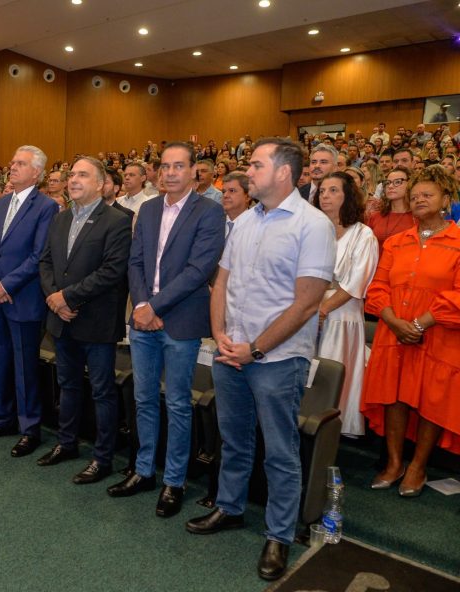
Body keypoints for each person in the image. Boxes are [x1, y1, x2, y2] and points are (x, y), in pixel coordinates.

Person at [186, 138, 336, 582]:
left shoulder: (312, 225)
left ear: (283, 173)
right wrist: (218, 336)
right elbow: (222, 283)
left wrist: (255, 348)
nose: (246, 172)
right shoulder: (247, 220)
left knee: (280, 452)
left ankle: (279, 535)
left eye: (255, 164)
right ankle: (230, 508)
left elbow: (307, 303)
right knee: (233, 439)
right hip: (230, 352)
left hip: (277, 359)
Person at [108, 143, 225, 516]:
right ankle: (143, 470)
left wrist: (154, 307)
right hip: (144, 316)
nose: (170, 172)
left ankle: (174, 481)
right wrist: (142, 306)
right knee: (143, 399)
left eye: (179, 166)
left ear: (194, 171)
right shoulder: (148, 208)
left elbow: (198, 270)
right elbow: (135, 260)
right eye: (165, 166)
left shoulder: (209, 212)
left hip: (181, 320)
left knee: (176, 403)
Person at [361, 165, 460, 497]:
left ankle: (418, 466)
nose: (419, 200)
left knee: (430, 400)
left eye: (427, 195)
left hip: (438, 333)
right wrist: (394, 321)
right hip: (394, 330)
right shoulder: (396, 242)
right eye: (415, 195)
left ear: (446, 198)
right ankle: (393, 462)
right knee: (394, 396)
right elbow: (377, 287)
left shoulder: (458, 240)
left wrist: (419, 324)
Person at [37, 156, 132, 484]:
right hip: (62, 318)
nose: (74, 180)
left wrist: (68, 297)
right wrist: (54, 298)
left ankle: (102, 458)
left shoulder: (116, 221)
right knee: (68, 384)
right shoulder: (61, 218)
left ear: (101, 183)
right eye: (71, 174)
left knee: (102, 391)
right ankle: (67, 443)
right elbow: (46, 262)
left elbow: (112, 271)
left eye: (82, 175)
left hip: (95, 320)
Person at [0, 145, 59, 458]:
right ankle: (3, 418)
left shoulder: (46, 207)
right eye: (12, 163)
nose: (13, 167)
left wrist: (5, 284)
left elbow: (39, 255)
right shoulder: (1, 204)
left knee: (24, 367)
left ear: (36, 173)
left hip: (22, 298)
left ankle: (29, 428)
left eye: (21, 164)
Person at [312, 172, 379, 437]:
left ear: (347, 196)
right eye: (322, 191)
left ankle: (333, 431)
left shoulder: (363, 235)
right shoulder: (316, 230)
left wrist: (323, 309)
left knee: (335, 376)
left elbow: (355, 284)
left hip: (340, 315)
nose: (325, 196)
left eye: (333, 191)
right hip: (309, 311)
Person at [366, 166, 414, 254]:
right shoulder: (375, 216)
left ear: (410, 184)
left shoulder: (417, 217)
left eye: (398, 182)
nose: (391, 186)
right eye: (388, 183)